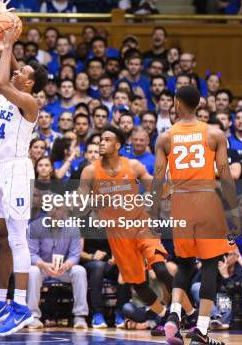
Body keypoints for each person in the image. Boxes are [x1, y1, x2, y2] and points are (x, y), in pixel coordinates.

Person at [0, 0, 48, 337]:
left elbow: (4, 78)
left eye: (25, 70)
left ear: (29, 83)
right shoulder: (8, 91)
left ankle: (22, 307)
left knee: (18, 239)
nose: (20, 67)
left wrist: (9, 41)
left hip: (17, 170)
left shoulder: (28, 101)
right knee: (1, 239)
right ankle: (1, 304)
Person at [79, 126, 195, 335]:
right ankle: (162, 316)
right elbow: (81, 201)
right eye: (100, 140)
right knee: (137, 284)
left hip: (141, 227)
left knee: (161, 269)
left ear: (118, 145)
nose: (101, 143)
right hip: (117, 235)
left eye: (107, 140)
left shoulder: (133, 166)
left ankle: (189, 313)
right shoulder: (90, 171)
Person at [153, 85, 237, 345]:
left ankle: (174, 316)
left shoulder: (165, 137)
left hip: (181, 204)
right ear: (200, 104)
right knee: (211, 264)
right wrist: (233, 211)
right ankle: (201, 329)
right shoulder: (214, 133)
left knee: (186, 263)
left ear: (177, 103)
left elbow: (157, 180)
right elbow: (225, 174)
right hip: (208, 201)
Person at [27, 203, 88, 329]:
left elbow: (75, 254)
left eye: (58, 208)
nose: (53, 211)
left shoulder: (72, 227)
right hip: (42, 268)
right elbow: (31, 254)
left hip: (63, 269)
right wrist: (44, 265)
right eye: (51, 207)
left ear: (65, 210)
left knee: (79, 270)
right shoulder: (35, 226)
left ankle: (80, 317)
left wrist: (66, 265)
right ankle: (33, 316)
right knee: (32, 271)